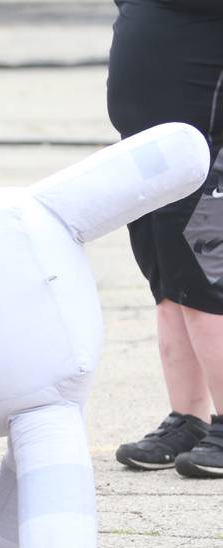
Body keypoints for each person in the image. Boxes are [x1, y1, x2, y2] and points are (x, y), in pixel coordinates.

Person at [107, 0, 223, 477]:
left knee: (204, 283)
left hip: (205, 148)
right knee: (167, 280)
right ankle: (188, 418)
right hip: (150, 148)